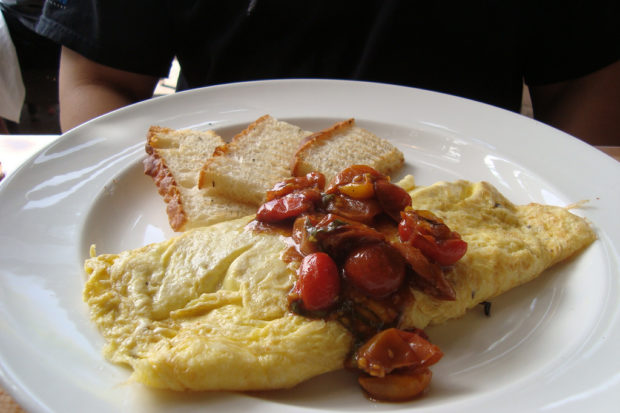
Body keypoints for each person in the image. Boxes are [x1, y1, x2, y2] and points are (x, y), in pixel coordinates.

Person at [35, 0, 619, 145]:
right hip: (218, 210)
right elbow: (102, 75)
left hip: (466, 208)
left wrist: (543, 202)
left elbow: (586, 78)